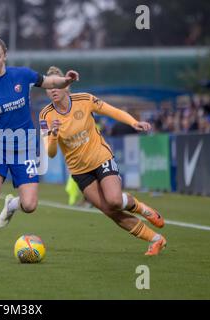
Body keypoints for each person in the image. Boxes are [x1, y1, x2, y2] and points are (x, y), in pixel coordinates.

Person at [0, 35, 79, 263]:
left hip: (26, 146)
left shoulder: (22, 75)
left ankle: (11, 205)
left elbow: (49, 82)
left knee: (29, 205)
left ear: (5, 56)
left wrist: (66, 81)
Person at [39, 66, 166, 256]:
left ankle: (142, 208)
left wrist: (133, 122)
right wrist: (54, 134)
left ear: (66, 86)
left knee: (114, 200)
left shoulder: (85, 99)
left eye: (57, 85)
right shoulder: (45, 115)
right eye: (50, 87)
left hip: (101, 157)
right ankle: (156, 239)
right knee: (110, 210)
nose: (54, 90)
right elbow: (50, 153)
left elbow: (111, 111)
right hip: (80, 171)